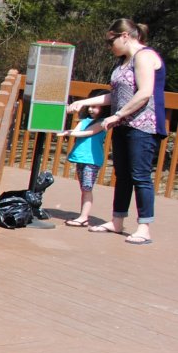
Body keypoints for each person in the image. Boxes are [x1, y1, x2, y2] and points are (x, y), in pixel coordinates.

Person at [64, 18, 166, 245]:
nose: (109, 47)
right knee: (122, 175)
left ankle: (144, 227)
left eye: (111, 42)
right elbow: (117, 96)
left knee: (140, 176)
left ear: (125, 36)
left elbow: (144, 92)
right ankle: (117, 220)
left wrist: (117, 115)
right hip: (123, 125)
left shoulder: (145, 56)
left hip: (143, 127)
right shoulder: (124, 62)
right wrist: (85, 102)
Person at [60, 109, 107, 227]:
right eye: (90, 106)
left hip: (92, 159)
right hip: (81, 158)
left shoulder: (103, 122)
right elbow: (77, 131)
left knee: (87, 188)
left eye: (95, 106)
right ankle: (83, 215)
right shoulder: (84, 121)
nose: (91, 109)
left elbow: (87, 132)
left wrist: (67, 132)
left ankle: (84, 217)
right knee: (84, 188)